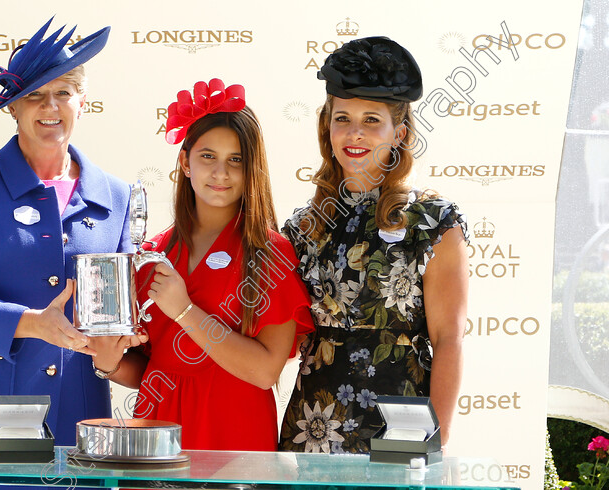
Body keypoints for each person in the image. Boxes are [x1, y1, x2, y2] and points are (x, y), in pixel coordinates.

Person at [0, 17, 145, 463]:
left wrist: (116, 342)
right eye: (35, 95)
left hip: (77, 424)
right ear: (12, 107)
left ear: (82, 101)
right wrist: (32, 323)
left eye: (63, 91)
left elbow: (118, 312)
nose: (51, 106)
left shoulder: (118, 196)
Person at [88, 79, 314, 451]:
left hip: (235, 433)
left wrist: (185, 311)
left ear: (251, 169)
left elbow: (264, 371)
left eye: (236, 160)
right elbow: (152, 369)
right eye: (208, 156)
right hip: (156, 433)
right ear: (185, 163)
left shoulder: (270, 253)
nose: (220, 173)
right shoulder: (151, 252)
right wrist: (109, 363)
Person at [278, 36, 469, 454]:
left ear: (399, 132)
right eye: (342, 118)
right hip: (313, 426)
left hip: (403, 423)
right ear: (326, 128)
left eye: (371, 120)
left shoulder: (433, 220)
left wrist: (433, 442)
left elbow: (449, 337)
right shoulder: (301, 226)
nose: (355, 133)